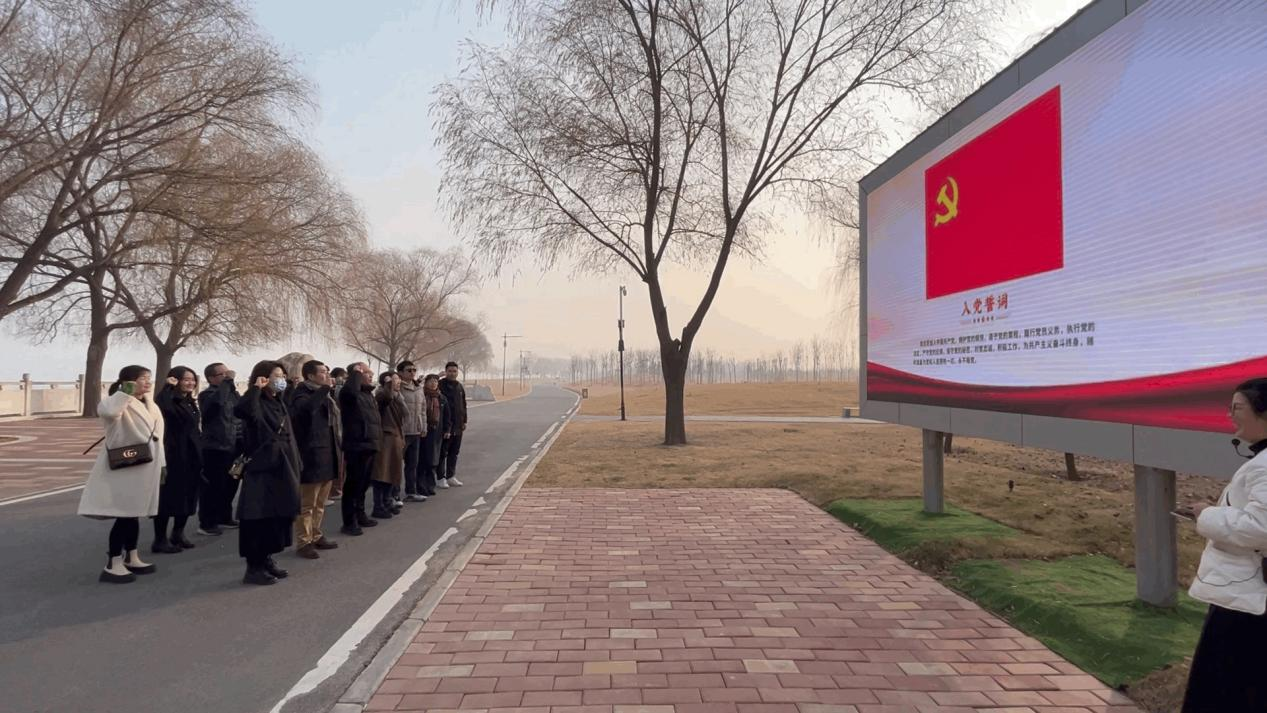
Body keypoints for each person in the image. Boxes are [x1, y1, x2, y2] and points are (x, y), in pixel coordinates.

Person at [1182, 378, 1267, 711]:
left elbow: (1260, 527)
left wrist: (1207, 515)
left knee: (1225, 689)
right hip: (1246, 592)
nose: (1230, 415)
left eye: (1237, 408)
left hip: (1247, 598)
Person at [78, 365, 162, 583]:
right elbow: (109, 412)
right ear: (129, 381)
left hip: (146, 465)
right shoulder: (116, 401)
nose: (148, 382)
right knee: (124, 515)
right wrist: (125, 392)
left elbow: (158, 436)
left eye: (149, 378)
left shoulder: (149, 403)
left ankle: (131, 556)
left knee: (134, 514)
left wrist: (162, 464)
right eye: (143, 378)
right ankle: (113, 562)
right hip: (125, 466)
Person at [232, 361, 302, 585]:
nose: (281, 380)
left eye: (282, 375)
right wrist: (255, 389)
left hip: (283, 466)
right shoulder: (255, 400)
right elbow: (243, 411)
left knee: (277, 516)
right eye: (276, 375)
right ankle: (254, 567)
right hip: (262, 469)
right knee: (258, 517)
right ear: (263, 378)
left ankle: (267, 559)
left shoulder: (278, 401)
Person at [289, 360, 341, 559]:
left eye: (327, 371)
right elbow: (307, 411)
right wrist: (325, 389)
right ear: (310, 376)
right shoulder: (301, 394)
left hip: (327, 453)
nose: (327, 375)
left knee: (320, 503)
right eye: (322, 372)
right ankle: (304, 541)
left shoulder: (324, 395)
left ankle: (316, 535)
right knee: (307, 504)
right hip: (310, 455)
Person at [152, 367, 203, 554]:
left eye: (192, 379)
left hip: (192, 454)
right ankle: (160, 539)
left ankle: (178, 533)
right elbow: (164, 408)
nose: (190, 383)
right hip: (173, 454)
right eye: (185, 379)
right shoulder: (167, 400)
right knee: (168, 497)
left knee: (189, 495)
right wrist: (167, 387)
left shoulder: (190, 401)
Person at [198, 362, 241, 535]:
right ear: (211, 378)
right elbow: (218, 403)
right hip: (216, 447)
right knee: (213, 486)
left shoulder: (231, 394)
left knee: (230, 484)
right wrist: (227, 382)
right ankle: (207, 522)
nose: (227, 376)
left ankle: (224, 516)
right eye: (222, 374)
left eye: (227, 373)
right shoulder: (206, 395)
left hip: (234, 445)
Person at [339, 362, 381, 536]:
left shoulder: (368, 394)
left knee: (364, 484)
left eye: (371, 373)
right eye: (366, 373)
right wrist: (355, 373)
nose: (370, 376)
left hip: (370, 443)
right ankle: (349, 522)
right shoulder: (348, 393)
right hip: (356, 445)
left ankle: (360, 513)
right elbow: (351, 392)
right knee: (353, 485)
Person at [371, 371, 406, 519]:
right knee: (382, 473)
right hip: (385, 438)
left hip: (396, 437)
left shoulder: (398, 396)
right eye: (395, 379)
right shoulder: (381, 394)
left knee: (392, 472)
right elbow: (386, 398)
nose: (398, 382)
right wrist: (388, 383)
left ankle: (387, 501)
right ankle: (378, 506)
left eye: (398, 379)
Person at [397, 361, 428, 502]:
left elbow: (423, 410)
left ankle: (411, 492)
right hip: (402, 432)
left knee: (412, 465)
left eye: (414, 370)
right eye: (409, 370)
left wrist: (424, 427)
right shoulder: (397, 388)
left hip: (416, 431)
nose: (412, 372)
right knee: (396, 465)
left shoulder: (419, 388)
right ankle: (394, 494)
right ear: (400, 372)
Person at [437, 361, 468, 488]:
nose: (452, 373)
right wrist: (437, 377)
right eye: (449, 371)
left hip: (458, 425)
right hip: (445, 425)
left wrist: (464, 421)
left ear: (457, 372)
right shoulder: (440, 385)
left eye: (454, 371)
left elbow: (463, 404)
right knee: (442, 453)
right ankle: (440, 477)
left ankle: (451, 476)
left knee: (454, 452)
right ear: (446, 372)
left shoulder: (459, 387)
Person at [420, 373, 447, 498]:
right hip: (422, 432)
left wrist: (447, 429)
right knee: (422, 461)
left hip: (436, 433)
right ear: (426, 383)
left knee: (432, 461)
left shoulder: (441, 398)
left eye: (435, 381)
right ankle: (420, 486)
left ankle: (430, 486)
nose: (433, 383)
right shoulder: (421, 395)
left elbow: (447, 415)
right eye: (430, 381)